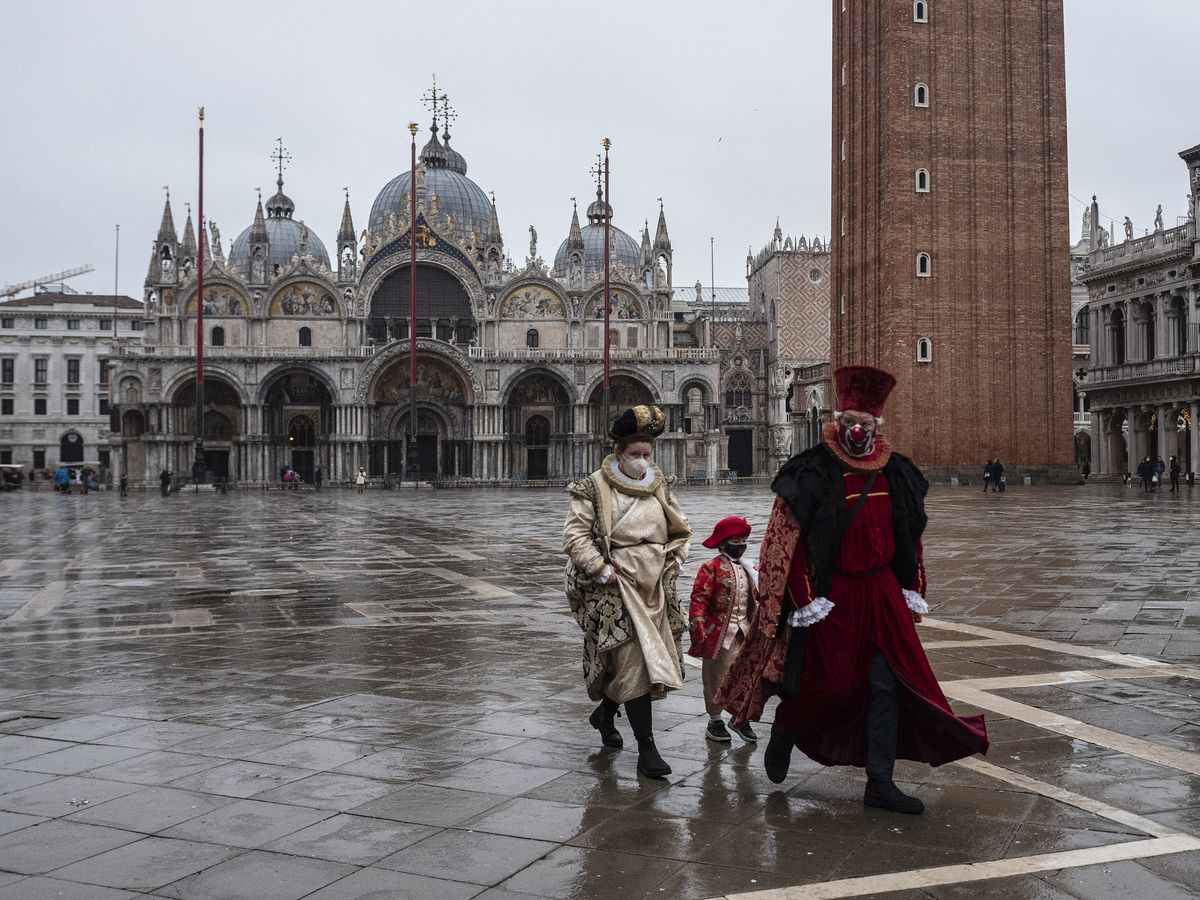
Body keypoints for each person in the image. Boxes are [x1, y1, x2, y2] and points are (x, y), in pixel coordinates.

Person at [717, 365, 988, 814]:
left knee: (891, 688)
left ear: (877, 426)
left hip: (882, 594)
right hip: (832, 598)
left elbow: (911, 537)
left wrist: (912, 586)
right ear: (837, 422)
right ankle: (788, 728)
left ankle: (879, 782)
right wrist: (805, 600)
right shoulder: (810, 473)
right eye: (850, 422)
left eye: (865, 423)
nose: (857, 430)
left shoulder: (896, 473)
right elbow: (785, 544)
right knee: (834, 685)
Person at [563, 404, 691, 778]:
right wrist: (601, 570)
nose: (642, 460)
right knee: (635, 662)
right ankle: (647, 749)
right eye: (635, 454)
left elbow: (680, 526)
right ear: (618, 452)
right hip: (615, 584)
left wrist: (679, 558)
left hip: (654, 585)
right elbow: (575, 536)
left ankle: (604, 714)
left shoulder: (659, 484)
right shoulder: (593, 486)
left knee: (637, 661)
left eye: (647, 454)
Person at [688, 516, 758, 744]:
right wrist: (698, 628)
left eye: (743, 541)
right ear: (723, 543)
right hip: (717, 634)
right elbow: (699, 599)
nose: (741, 545)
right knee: (716, 677)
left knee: (746, 675)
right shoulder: (710, 568)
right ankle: (715, 720)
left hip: (744, 632)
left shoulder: (750, 569)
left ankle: (740, 717)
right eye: (736, 541)